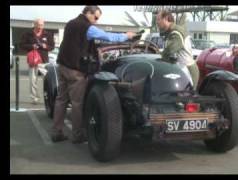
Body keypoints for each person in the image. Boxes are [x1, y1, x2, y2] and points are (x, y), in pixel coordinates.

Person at [51, 6, 136, 143]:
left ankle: (56, 132)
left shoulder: (70, 23)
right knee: (77, 103)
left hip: (63, 66)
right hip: (76, 70)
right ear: (88, 13)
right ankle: (77, 135)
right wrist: (127, 35)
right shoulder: (87, 27)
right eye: (95, 17)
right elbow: (108, 36)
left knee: (61, 99)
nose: (96, 21)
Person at [156, 10, 199, 90]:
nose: (157, 22)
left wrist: (159, 58)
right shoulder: (171, 32)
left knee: (185, 100)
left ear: (165, 19)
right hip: (181, 69)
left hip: (186, 70)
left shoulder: (176, 33)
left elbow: (169, 51)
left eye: (158, 19)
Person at [20, 18, 55, 104]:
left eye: (42, 25)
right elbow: (21, 45)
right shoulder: (27, 34)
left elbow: (52, 46)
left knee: (49, 79)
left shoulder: (47, 34)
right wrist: (32, 46)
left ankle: (50, 97)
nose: (40, 27)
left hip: (44, 60)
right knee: (33, 80)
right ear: (34, 24)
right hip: (33, 60)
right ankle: (34, 98)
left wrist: (45, 46)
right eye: (38, 25)